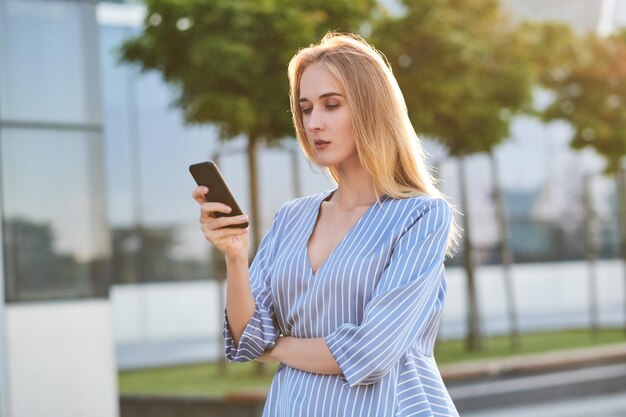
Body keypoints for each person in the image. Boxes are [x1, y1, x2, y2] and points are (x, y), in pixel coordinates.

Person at [192, 32, 459, 417]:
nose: (313, 123)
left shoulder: (420, 216)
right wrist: (236, 257)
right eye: (305, 109)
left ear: (372, 109)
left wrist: (277, 347)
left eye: (331, 105)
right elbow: (248, 335)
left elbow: (370, 354)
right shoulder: (292, 218)